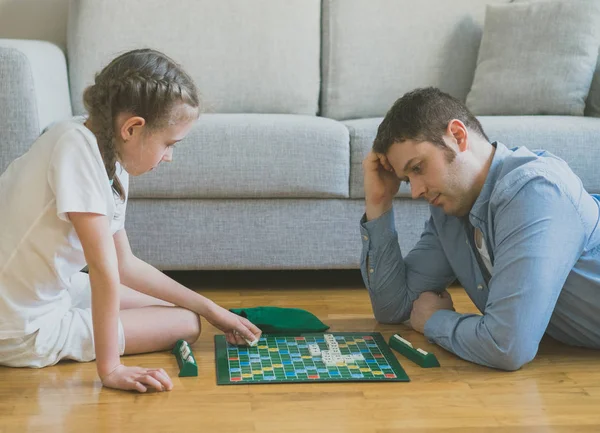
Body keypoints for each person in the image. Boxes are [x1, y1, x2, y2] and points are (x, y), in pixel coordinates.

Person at [0, 49, 261, 392]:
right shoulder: (75, 151)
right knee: (184, 323)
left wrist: (212, 308)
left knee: (176, 306)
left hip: (48, 292)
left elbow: (124, 264)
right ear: (133, 128)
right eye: (169, 143)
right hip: (20, 326)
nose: (169, 157)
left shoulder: (102, 148)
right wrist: (111, 369)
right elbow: (104, 271)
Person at [360, 87, 600, 371]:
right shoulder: (450, 209)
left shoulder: (536, 192)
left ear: (458, 136)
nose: (415, 191)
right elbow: (394, 307)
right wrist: (379, 202)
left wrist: (433, 321)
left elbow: (507, 345)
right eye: (406, 179)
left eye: (418, 168)